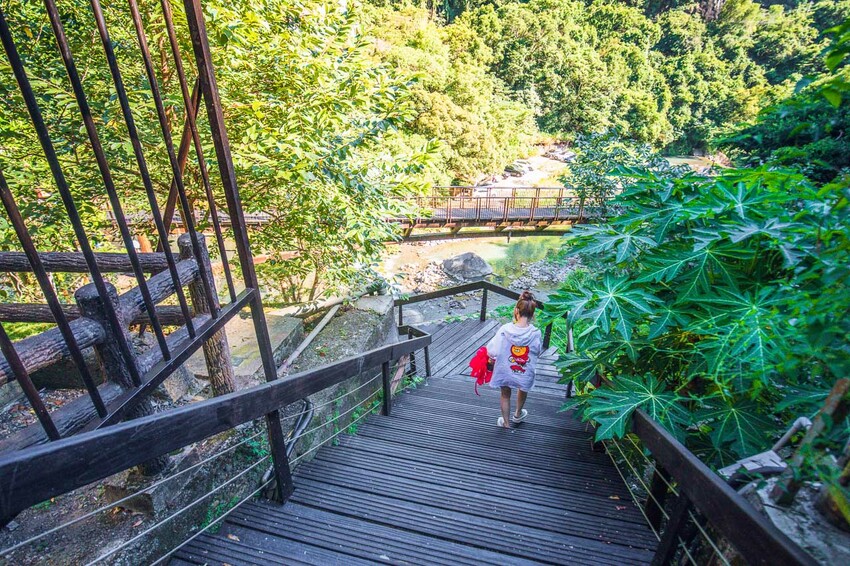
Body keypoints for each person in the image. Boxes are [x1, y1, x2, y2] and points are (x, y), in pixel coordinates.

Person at [485, 290, 542, 428]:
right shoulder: (535, 333)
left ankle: (506, 423)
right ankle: (517, 414)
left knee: (505, 394)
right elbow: (537, 351)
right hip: (524, 369)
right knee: (522, 388)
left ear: (516, 311)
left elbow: (493, 349)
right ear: (532, 315)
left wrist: (491, 360)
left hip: (505, 368)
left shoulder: (505, 329)